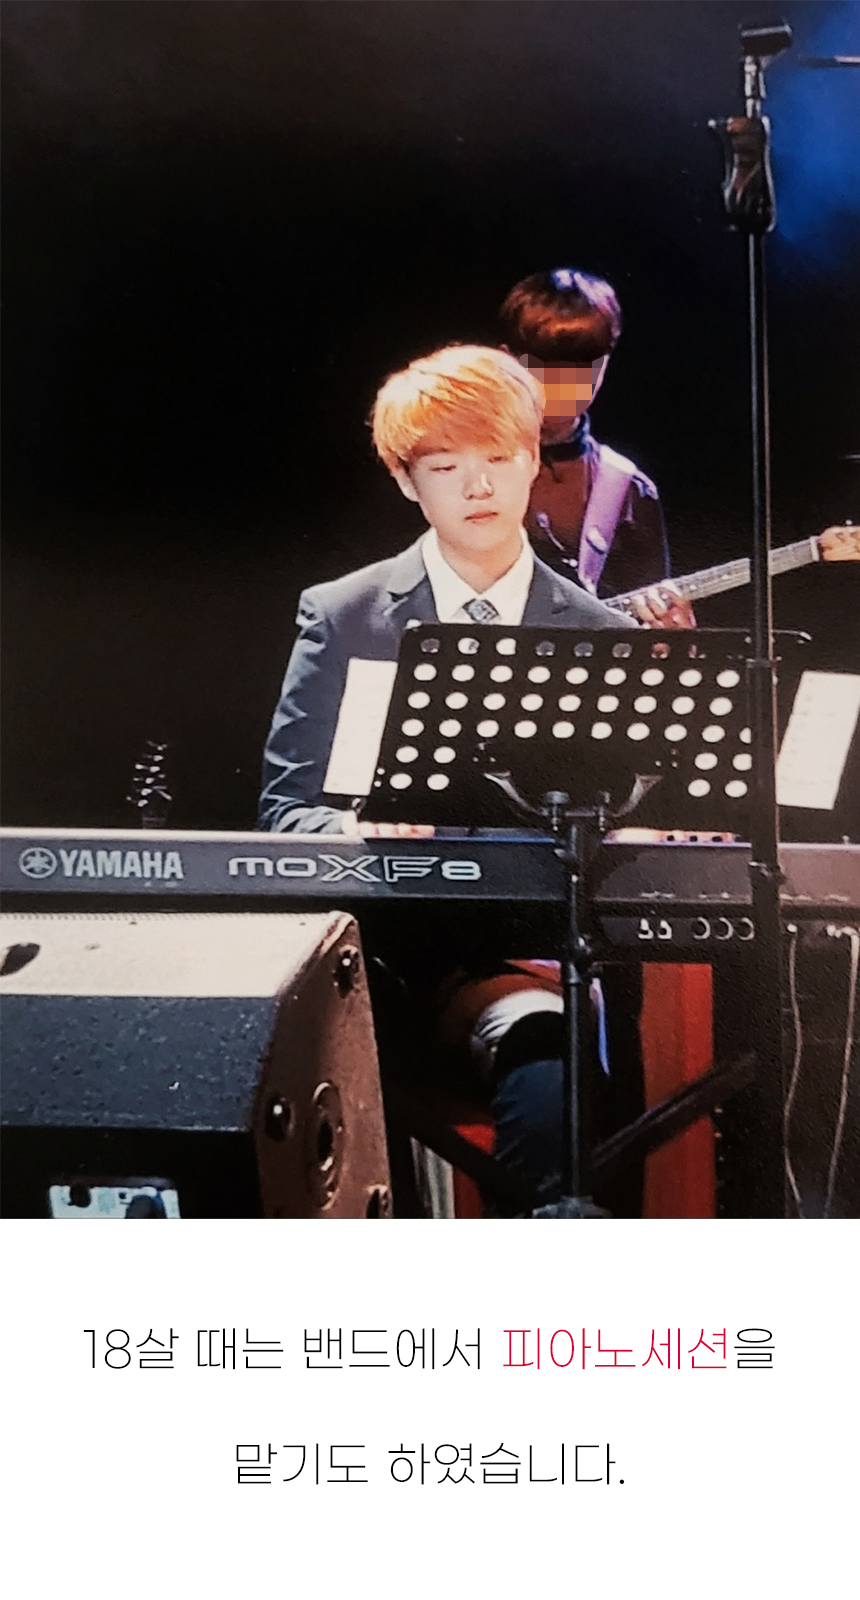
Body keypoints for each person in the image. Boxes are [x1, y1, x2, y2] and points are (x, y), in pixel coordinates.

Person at [259, 344, 636, 1209]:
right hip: (373, 957)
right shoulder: (343, 614)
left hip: (521, 962)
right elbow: (283, 811)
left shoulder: (599, 635)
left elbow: (611, 818)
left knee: (549, 1074)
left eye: (498, 458)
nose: (477, 486)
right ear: (406, 481)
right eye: (444, 466)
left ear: (533, 460)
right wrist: (355, 829)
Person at [500, 267, 693, 628]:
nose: (565, 384)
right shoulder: (462, 467)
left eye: (584, 368)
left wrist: (671, 639)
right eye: (547, 367)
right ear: (508, 360)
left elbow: (649, 635)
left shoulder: (629, 489)